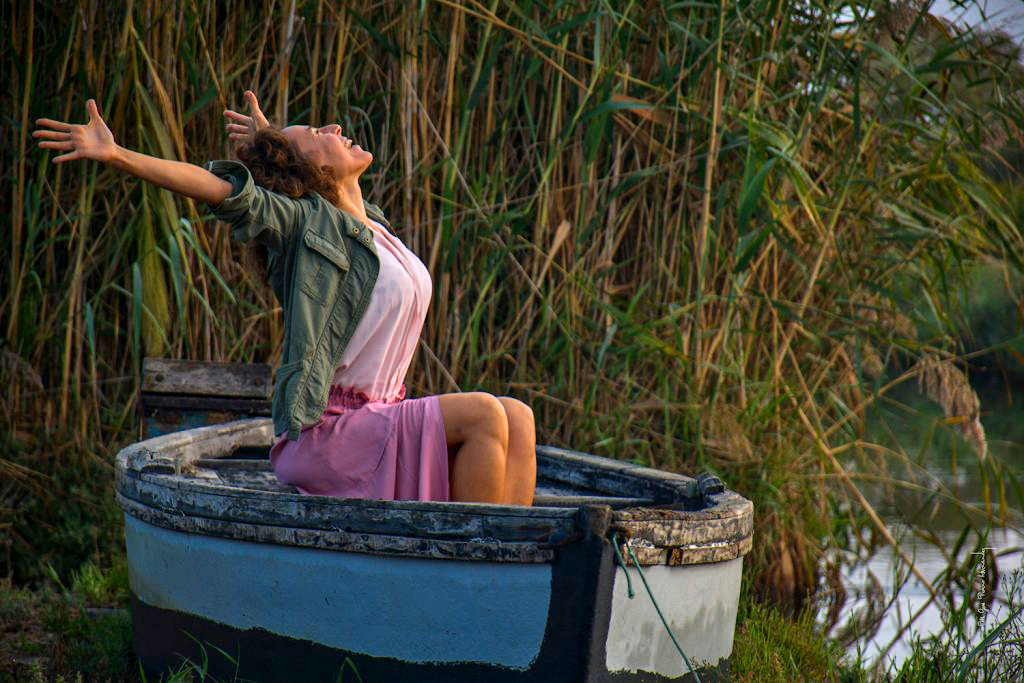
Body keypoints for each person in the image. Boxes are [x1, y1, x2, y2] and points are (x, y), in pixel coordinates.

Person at [34, 92, 536, 505]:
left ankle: (519, 575)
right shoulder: (306, 228)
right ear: (310, 173)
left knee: (518, 415)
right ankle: (481, 561)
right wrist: (117, 154)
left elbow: (295, 172)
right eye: (319, 135)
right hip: (332, 429)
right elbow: (221, 191)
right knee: (485, 415)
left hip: (379, 417)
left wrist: (275, 139)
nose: (335, 128)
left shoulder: (375, 231)